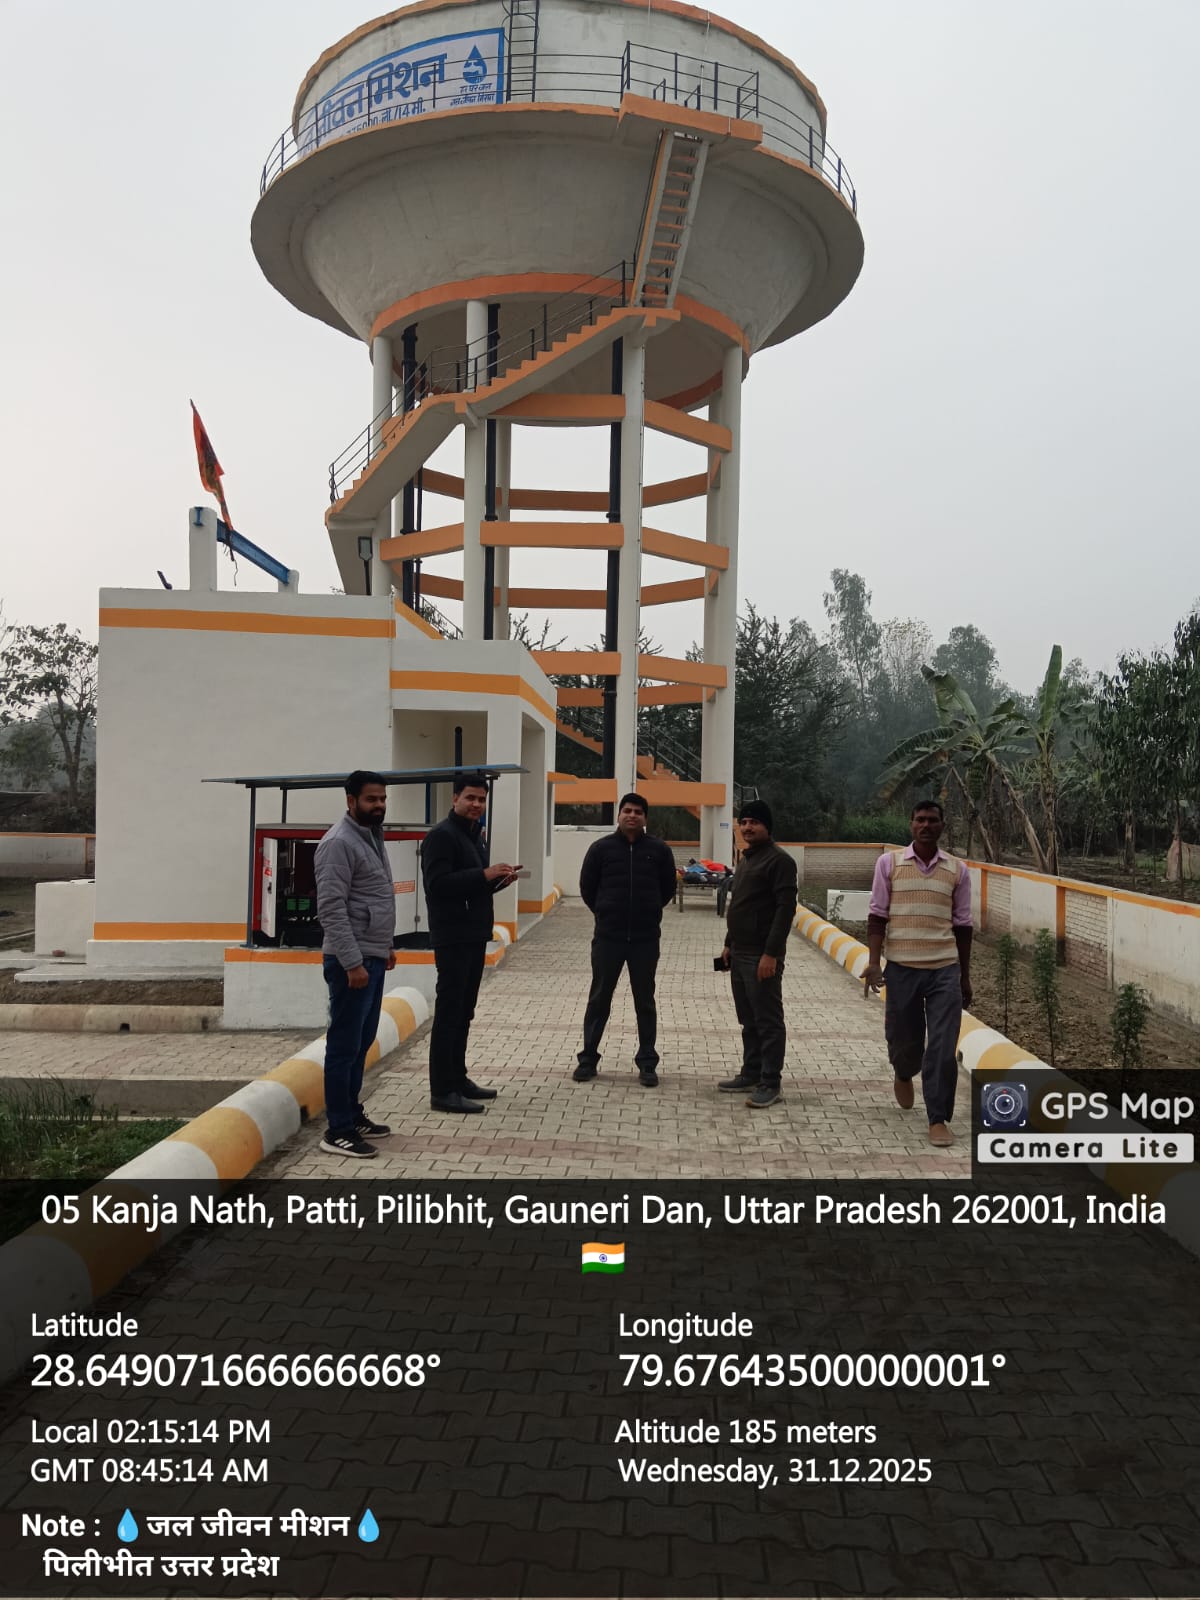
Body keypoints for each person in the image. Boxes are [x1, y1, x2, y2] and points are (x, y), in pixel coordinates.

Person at [863, 799, 973, 1148]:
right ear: (911, 824)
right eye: (920, 820)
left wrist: (964, 976)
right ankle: (902, 1071)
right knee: (903, 1039)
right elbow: (877, 915)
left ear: (942, 826)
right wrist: (874, 962)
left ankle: (937, 1118)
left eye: (932, 820)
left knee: (942, 1046)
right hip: (902, 969)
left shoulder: (958, 870)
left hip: (944, 969)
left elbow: (963, 925)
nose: (926, 825)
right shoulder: (889, 863)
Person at [421, 772, 518, 1113]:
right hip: (452, 937)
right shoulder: (441, 836)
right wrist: (483, 874)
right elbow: (437, 885)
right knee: (449, 1013)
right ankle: (442, 1091)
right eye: (470, 798)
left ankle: (458, 1079)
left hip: (474, 935)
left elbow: (472, 887)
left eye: (481, 799)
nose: (477, 804)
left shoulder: (474, 835)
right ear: (455, 799)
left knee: (464, 1011)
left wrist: (498, 881)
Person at [313, 770, 398, 1158]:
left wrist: (385, 946)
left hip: (372, 955)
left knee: (361, 1042)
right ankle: (338, 1130)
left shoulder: (371, 835)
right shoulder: (338, 843)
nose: (379, 805)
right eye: (371, 799)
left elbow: (374, 897)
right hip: (352, 961)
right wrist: (352, 962)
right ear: (351, 801)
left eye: (382, 799)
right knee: (344, 1046)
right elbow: (331, 908)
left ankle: (352, 1112)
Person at [573, 793, 678, 1087]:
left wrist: (649, 911)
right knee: (599, 998)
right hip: (609, 938)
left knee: (645, 1001)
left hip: (645, 939)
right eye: (627, 810)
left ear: (645, 818)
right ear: (619, 815)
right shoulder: (600, 849)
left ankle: (647, 1062)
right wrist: (605, 912)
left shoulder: (659, 850)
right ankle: (588, 1059)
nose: (632, 815)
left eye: (638, 812)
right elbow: (587, 888)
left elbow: (667, 888)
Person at [717, 799, 798, 1108]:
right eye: (744, 822)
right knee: (748, 1019)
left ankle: (770, 1082)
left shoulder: (780, 861)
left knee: (768, 1021)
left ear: (767, 826)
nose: (748, 827)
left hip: (761, 956)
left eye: (755, 822)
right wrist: (729, 943)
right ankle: (750, 1073)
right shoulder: (747, 859)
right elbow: (740, 904)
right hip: (739, 952)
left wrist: (771, 954)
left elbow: (785, 910)